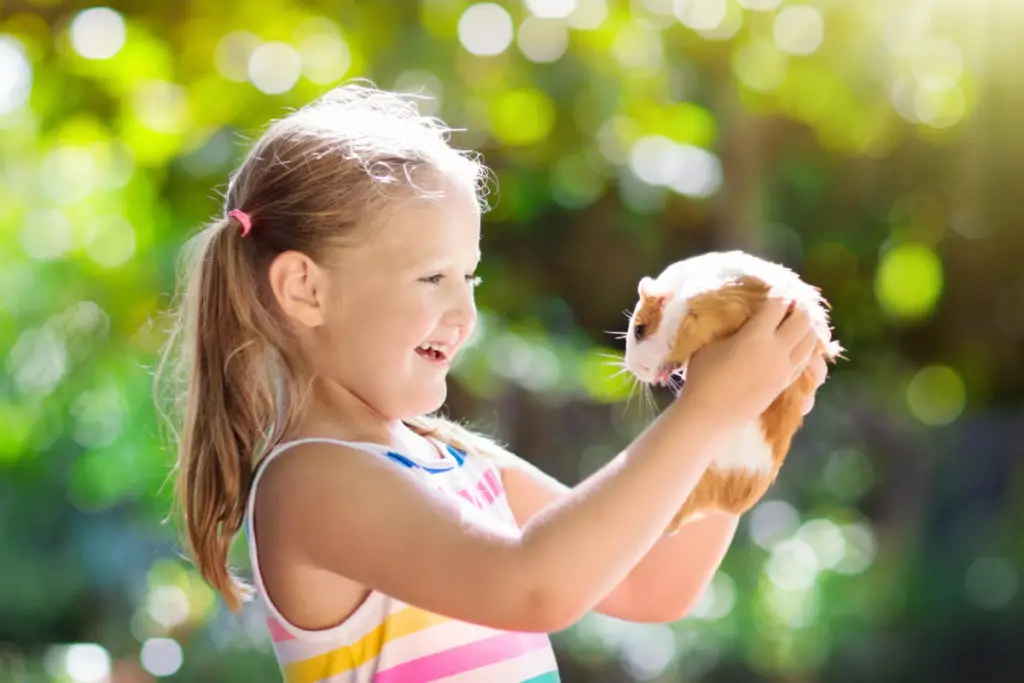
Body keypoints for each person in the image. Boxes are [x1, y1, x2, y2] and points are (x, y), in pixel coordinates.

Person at [155, 82, 828, 683]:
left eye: (468, 277)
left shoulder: (456, 462)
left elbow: (654, 584)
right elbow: (533, 586)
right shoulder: (312, 481)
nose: (465, 312)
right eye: (432, 277)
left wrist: (749, 417)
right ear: (305, 289)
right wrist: (706, 412)